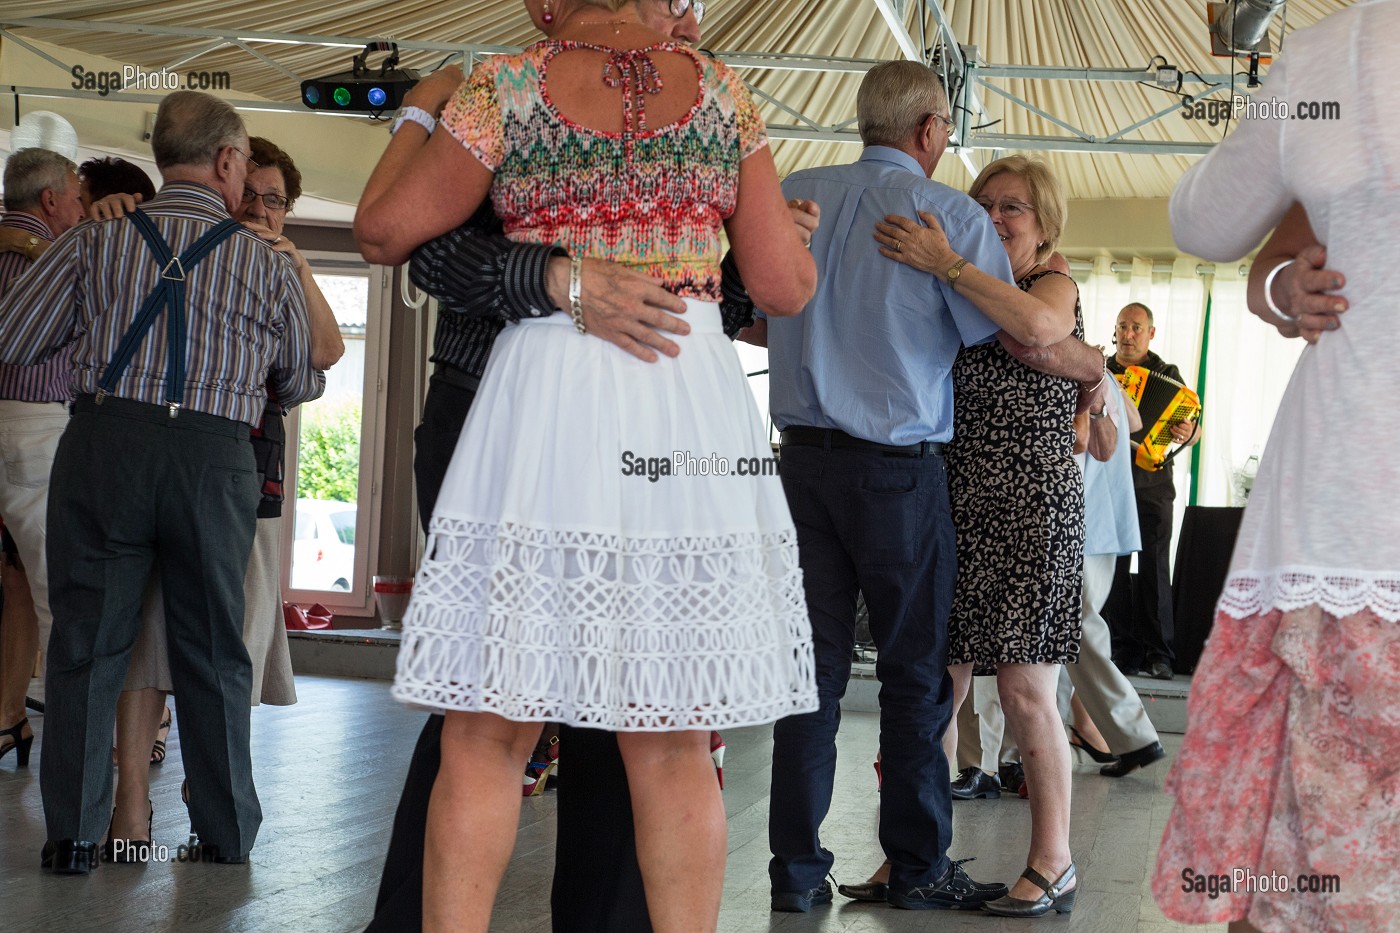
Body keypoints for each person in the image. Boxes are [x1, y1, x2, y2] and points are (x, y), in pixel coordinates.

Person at [355, 1, 818, 929]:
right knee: (674, 740)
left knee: (488, 733)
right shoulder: (724, 92)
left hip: (544, 392)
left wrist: (420, 112)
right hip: (683, 392)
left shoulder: (505, 86)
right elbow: (781, 285)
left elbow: (383, 230)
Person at [756, 62, 1075, 915]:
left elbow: (751, 306)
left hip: (801, 466)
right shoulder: (948, 218)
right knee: (915, 674)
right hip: (897, 470)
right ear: (931, 129)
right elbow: (1007, 333)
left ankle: (795, 872)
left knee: (810, 674)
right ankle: (918, 864)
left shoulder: (793, 193)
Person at [0, 90, 324, 873]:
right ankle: (224, 833)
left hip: (105, 443)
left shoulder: (95, 239)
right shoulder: (263, 259)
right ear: (226, 160)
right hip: (214, 458)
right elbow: (300, 379)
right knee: (214, 649)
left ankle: (74, 838)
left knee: (86, 645)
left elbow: (16, 338)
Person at [1152, 4, 1398, 929]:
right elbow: (1255, 253)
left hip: (1346, 499)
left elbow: (1202, 216)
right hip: (1350, 495)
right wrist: (1282, 286)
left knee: (1314, 843)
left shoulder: (1332, 56)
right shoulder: (1332, 55)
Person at [867, 154, 1110, 917]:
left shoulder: (1051, 283)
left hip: (1035, 505)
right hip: (954, 500)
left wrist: (948, 263)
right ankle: (915, 851)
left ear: (1044, 224)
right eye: (987, 204)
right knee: (936, 686)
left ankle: (1054, 861)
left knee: (1026, 689)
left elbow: (1036, 333)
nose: (998, 217)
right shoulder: (959, 288)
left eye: (1014, 207)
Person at [102, 135, 346, 851]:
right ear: (226, 187)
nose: (264, 210)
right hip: (158, 461)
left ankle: (207, 788)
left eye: (278, 201)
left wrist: (297, 263)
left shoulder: (279, 265)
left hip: (250, 474)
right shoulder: (181, 245)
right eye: (254, 195)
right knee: (147, 638)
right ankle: (130, 806)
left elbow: (325, 352)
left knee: (233, 643)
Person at [0, 148, 88, 770]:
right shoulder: (59, 258)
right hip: (31, 423)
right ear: (51, 199)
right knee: (60, 590)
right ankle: (73, 745)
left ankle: (12, 721)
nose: (81, 208)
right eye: (77, 197)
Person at [1065, 381, 1166, 778]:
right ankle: (1040, 743)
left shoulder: (1084, 375)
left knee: (1078, 629)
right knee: (1071, 633)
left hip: (1084, 519)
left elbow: (1082, 441)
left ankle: (1134, 735)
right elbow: (1136, 421)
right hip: (1102, 520)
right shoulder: (1105, 377)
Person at [1104, 301, 1201, 681]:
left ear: (1151, 333)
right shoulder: (1101, 370)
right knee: (1112, 569)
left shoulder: (1167, 374)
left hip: (1153, 485)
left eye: (1136, 328)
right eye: (1122, 326)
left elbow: (1194, 431)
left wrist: (1188, 432)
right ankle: (1119, 650)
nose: (1128, 335)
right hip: (1110, 483)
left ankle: (1159, 654)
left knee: (1155, 568)